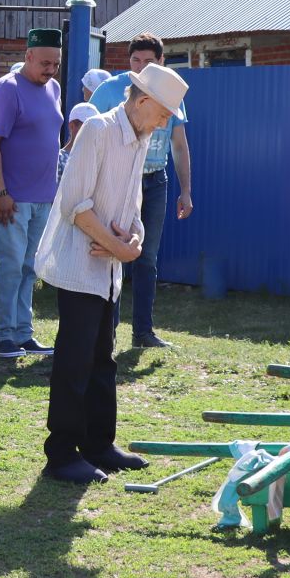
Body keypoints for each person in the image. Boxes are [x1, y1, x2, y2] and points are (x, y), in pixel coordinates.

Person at [33, 62, 188, 483]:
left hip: (110, 271)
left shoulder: (139, 138)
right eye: (161, 115)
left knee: (103, 359)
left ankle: (99, 445)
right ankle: (61, 454)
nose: (163, 125)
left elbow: (131, 204)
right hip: (81, 267)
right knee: (74, 360)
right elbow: (74, 204)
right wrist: (121, 247)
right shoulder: (99, 131)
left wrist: (133, 240)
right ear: (141, 102)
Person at [88, 33, 193, 350]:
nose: (142, 66)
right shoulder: (109, 90)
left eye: (149, 61)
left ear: (161, 61)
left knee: (147, 258)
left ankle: (143, 333)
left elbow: (178, 143)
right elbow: (85, 135)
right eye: (135, 60)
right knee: (112, 253)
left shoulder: (171, 92)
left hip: (155, 180)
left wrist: (185, 190)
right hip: (118, 180)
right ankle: (107, 331)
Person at [0, 28, 65, 362]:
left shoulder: (54, 88)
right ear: (28, 56)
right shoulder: (7, 90)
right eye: (45, 62)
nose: (50, 70)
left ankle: (23, 333)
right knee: (9, 266)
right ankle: (3, 336)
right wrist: (0, 192)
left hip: (43, 197)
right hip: (10, 198)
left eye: (56, 63)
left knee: (30, 267)